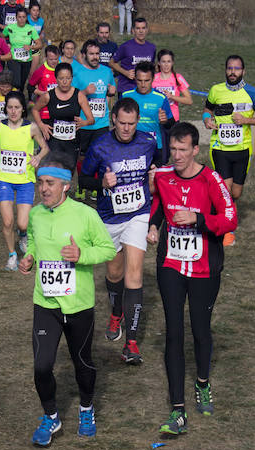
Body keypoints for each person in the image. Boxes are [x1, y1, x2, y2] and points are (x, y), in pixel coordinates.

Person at [19, 153, 116, 446]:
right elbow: (34, 240)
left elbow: (108, 249)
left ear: (65, 186)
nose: (43, 189)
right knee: (41, 366)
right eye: (40, 183)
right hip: (46, 303)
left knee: (82, 363)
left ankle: (86, 409)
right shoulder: (35, 214)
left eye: (50, 183)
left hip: (79, 304)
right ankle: (51, 417)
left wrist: (82, 255)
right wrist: (30, 257)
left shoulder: (85, 214)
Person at [146, 122, 236, 434]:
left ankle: (202, 383)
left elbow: (229, 218)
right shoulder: (165, 176)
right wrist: (154, 225)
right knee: (174, 329)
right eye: (173, 149)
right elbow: (158, 205)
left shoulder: (210, 178)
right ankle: (177, 409)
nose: (177, 155)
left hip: (204, 268)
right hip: (171, 263)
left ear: (196, 149)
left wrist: (198, 219)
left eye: (183, 150)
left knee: (200, 329)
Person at [79, 97, 157, 364]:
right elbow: (84, 179)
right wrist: (101, 182)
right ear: (113, 119)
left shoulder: (148, 142)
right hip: (109, 218)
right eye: (122, 123)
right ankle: (116, 314)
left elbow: (160, 165)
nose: (126, 129)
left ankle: (131, 343)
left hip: (138, 213)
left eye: (131, 124)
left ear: (137, 122)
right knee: (114, 273)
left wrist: (155, 176)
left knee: (134, 274)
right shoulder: (100, 145)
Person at [203, 54, 255, 246]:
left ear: (243, 71)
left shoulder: (253, 93)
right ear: (225, 70)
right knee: (225, 188)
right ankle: (226, 229)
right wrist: (207, 119)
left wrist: (247, 120)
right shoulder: (216, 90)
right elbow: (207, 108)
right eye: (230, 68)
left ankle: (225, 214)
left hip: (243, 149)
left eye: (237, 68)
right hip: (220, 147)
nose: (233, 72)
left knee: (236, 193)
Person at [0, 90, 49, 270]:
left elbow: (45, 148)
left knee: (22, 223)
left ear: (22, 109)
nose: (13, 111)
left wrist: (38, 157)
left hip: (25, 179)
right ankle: (12, 255)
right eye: (9, 107)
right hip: (5, 180)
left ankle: (23, 235)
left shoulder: (31, 127)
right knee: (8, 221)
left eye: (17, 108)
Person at [70, 40, 116, 198]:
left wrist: (112, 91)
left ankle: (96, 187)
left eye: (97, 54)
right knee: (82, 157)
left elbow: (110, 91)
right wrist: (84, 91)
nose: (95, 57)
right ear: (84, 55)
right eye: (92, 54)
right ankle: (82, 186)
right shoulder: (78, 72)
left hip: (101, 123)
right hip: (83, 123)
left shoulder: (106, 71)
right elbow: (71, 96)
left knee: (99, 156)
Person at [31, 62, 95, 167]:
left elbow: (91, 119)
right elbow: (35, 109)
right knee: (54, 170)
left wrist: (84, 122)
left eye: (68, 78)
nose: (65, 82)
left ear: (72, 78)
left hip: (72, 141)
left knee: (69, 170)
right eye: (61, 78)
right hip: (54, 140)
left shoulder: (79, 95)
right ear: (56, 79)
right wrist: (41, 125)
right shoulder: (48, 96)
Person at [122, 61, 174, 164]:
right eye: (140, 80)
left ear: (153, 79)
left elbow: (171, 123)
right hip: (132, 146)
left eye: (147, 80)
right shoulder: (126, 96)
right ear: (135, 79)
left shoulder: (161, 98)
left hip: (155, 146)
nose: (143, 84)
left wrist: (165, 121)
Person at [151, 49, 192, 163]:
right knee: (161, 152)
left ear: (172, 62)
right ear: (159, 63)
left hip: (173, 119)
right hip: (158, 119)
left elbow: (189, 100)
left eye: (168, 61)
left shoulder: (177, 78)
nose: (166, 65)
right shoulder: (154, 78)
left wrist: (172, 97)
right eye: (163, 61)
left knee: (173, 151)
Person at [110, 17, 155, 97]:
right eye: (138, 28)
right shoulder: (126, 46)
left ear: (147, 30)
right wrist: (125, 72)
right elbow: (111, 62)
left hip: (144, 89)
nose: (141, 31)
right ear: (133, 30)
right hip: (127, 88)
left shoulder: (151, 47)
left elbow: (153, 66)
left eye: (143, 28)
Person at [2, 6, 40, 91]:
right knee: (16, 82)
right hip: (13, 58)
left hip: (27, 59)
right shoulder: (10, 27)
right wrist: (7, 44)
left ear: (26, 17)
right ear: (16, 17)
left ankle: (18, 99)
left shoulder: (30, 29)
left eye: (23, 17)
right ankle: (12, 97)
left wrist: (30, 47)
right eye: (19, 17)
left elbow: (39, 44)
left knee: (22, 82)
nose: (21, 19)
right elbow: (1, 37)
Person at [26, 45, 59, 119]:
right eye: (51, 59)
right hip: (45, 110)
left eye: (56, 59)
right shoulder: (40, 71)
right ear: (46, 58)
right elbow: (29, 87)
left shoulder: (62, 69)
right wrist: (43, 93)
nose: (54, 61)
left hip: (60, 109)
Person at [26, 2, 46, 75]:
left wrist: (42, 35)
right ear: (30, 10)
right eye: (33, 10)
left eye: (37, 10)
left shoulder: (41, 21)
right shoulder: (26, 19)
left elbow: (42, 30)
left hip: (35, 45)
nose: (36, 12)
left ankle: (31, 81)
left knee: (33, 69)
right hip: (26, 44)